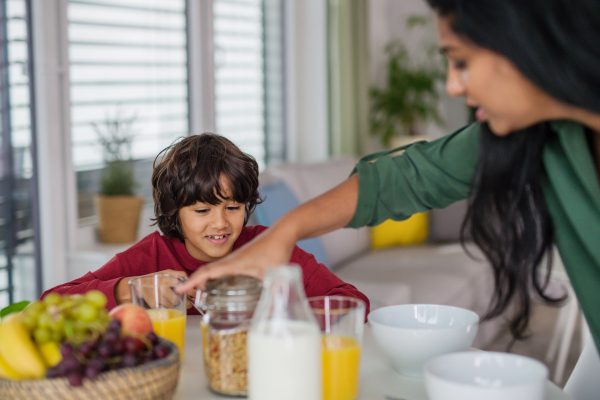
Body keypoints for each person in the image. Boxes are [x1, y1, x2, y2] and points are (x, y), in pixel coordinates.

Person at [178, 0, 600, 353]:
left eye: (462, 61)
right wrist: (282, 233)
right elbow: (398, 178)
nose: (453, 85)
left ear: (529, 43)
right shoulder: (536, 135)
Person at [42, 133, 369, 314]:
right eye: (202, 211)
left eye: (233, 207)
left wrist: (281, 307)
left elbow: (355, 304)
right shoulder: (150, 257)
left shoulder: (267, 248)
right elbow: (51, 301)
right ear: (173, 212)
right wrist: (130, 291)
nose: (221, 223)